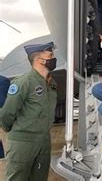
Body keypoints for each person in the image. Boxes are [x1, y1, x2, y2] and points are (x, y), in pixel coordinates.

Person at [0, 42, 58, 180]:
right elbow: (7, 114)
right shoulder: (23, 82)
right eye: (50, 55)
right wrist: (20, 132)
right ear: (39, 60)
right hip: (24, 143)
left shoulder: (51, 82)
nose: (53, 58)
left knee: (39, 177)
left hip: (43, 140)